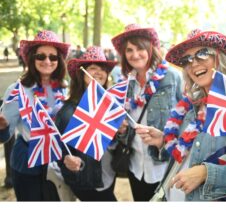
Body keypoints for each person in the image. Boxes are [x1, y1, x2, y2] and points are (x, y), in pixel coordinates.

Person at [136, 29, 226, 201]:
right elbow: (186, 153)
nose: (193, 63)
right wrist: (163, 141)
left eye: (202, 53)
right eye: (187, 59)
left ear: (218, 57)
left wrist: (206, 173)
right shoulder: (191, 106)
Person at [111, 24, 183, 201]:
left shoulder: (172, 77)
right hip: (136, 167)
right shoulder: (126, 84)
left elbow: (189, 120)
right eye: (129, 50)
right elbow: (128, 125)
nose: (135, 55)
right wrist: (121, 130)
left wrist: (165, 141)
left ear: (151, 48)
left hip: (164, 166)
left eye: (140, 48)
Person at [0, 30, 70, 201]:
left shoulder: (63, 87)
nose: (47, 61)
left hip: (57, 163)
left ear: (59, 61)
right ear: (32, 58)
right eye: (41, 56)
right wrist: (3, 127)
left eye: (53, 57)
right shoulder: (17, 91)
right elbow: (5, 136)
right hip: (27, 164)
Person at [55, 46, 118, 201]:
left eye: (103, 69)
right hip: (87, 181)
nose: (99, 72)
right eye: (93, 68)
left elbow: (114, 143)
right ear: (81, 74)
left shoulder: (110, 104)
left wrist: (121, 133)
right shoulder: (68, 111)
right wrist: (66, 160)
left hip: (108, 176)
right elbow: (58, 150)